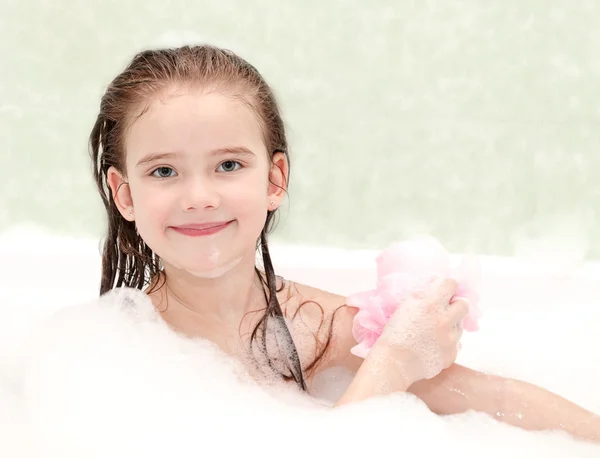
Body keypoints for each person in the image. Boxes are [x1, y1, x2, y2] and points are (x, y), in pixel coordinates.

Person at [89, 44, 599, 442]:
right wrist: (392, 366)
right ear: (125, 194)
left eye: (228, 165)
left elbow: (495, 398)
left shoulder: (324, 326)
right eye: (164, 171)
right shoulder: (112, 353)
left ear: (274, 179)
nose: (199, 196)